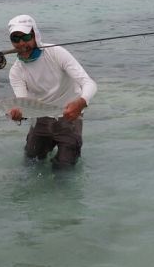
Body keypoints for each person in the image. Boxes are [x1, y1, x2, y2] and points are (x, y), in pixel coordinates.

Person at [6, 14, 97, 168]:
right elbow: (24, 103)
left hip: (69, 116)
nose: (21, 43)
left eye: (26, 37)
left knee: (65, 168)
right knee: (31, 164)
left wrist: (81, 103)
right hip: (41, 118)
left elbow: (89, 83)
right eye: (16, 39)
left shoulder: (56, 53)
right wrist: (19, 115)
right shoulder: (16, 71)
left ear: (35, 35)